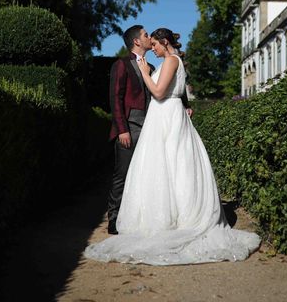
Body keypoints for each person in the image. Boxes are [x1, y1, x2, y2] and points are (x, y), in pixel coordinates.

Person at [86, 28, 260, 265]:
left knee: (170, 168)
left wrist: (147, 74)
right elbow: (120, 97)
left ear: (164, 42)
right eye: (149, 40)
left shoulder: (168, 61)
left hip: (165, 118)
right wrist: (122, 127)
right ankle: (120, 219)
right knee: (155, 169)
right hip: (157, 120)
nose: (153, 46)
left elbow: (159, 92)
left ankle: (174, 220)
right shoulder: (137, 63)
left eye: (156, 43)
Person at [105, 25, 191, 235]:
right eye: (145, 36)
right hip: (130, 127)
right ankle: (114, 219)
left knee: (147, 174)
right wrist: (122, 129)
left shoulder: (152, 66)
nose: (148, 38)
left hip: (153, 126)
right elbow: (115, 98)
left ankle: (143, 216)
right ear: (136, 41)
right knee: (123, 174)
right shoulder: (122, 64)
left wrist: (186, 104)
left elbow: (172, 87)